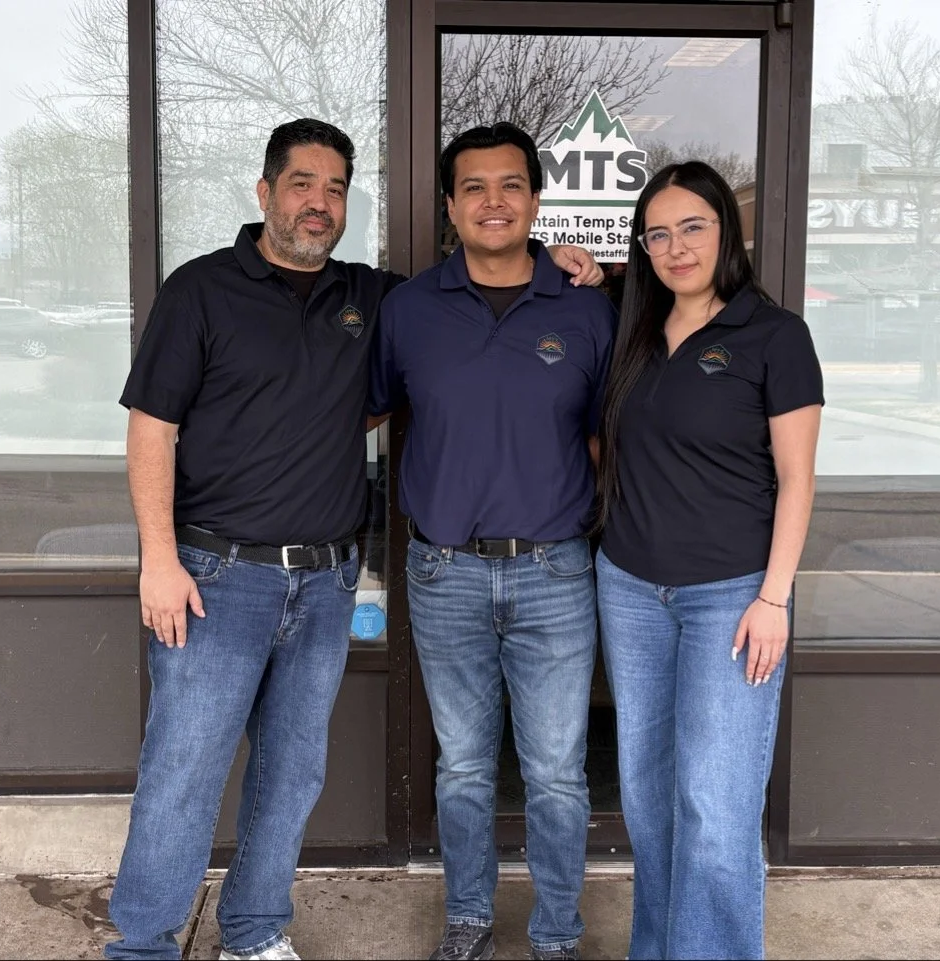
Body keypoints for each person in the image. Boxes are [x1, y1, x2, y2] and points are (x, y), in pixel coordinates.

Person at [105, 118, 601, 961]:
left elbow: (457, 344)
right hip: (213, 574)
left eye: (335, 189)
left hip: (329, 578)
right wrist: (157, 556)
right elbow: (152, 425)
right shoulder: (202, 290)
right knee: (184, 773)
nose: (318, 203)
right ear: (264, 193)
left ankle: (255, 932)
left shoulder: (370, 298)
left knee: (290, 775)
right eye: (301, 184)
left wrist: (570, 259)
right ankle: (144, 945)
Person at [368, 123, 617, 961]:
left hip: (555, 571)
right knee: (465, 769)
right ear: (448, 205)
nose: (492, 201)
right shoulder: (408, 309)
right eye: (473, 187)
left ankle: (555, 934)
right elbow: (363, 411)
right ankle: (467, 919)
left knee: (554, 772)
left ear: (537, 200)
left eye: (510, 184)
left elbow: (610, 436)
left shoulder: (586, 308)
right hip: (443, 572)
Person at [594, 161, 824, 961]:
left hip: (729, 597)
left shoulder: (773, 335)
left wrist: (774, 598)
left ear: (726, 230)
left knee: (716, 806)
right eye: (656, 233)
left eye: (691, 226)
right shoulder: (634, 334)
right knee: (650, 800)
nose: (674, 246)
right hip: (628, 588)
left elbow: (797, 478)